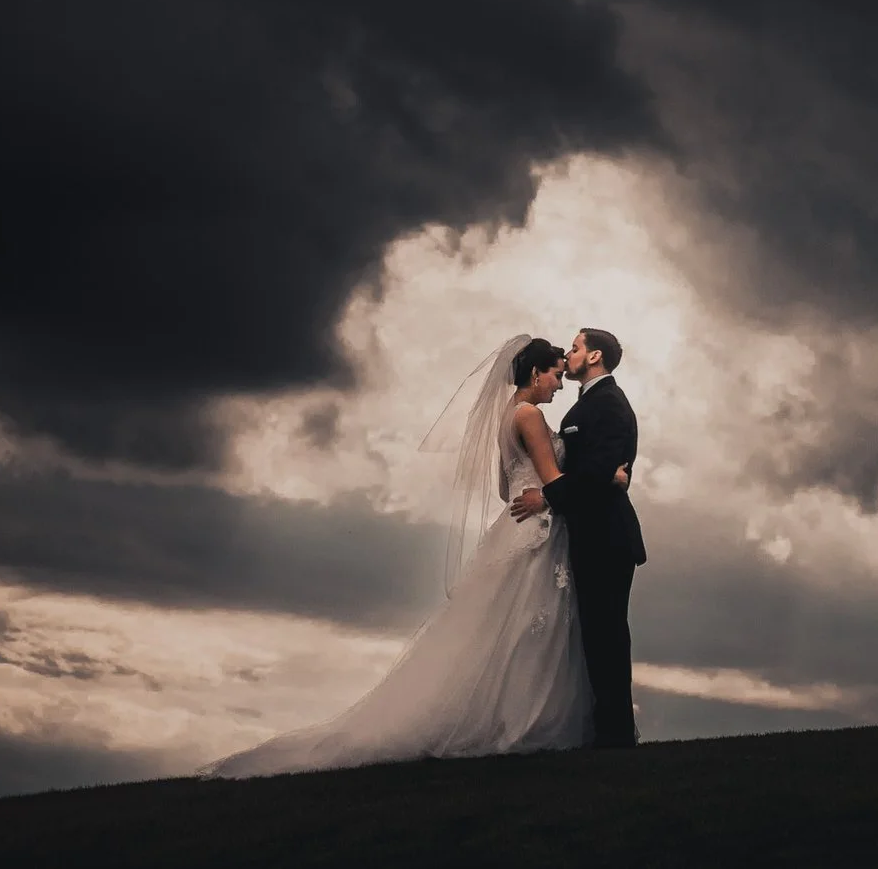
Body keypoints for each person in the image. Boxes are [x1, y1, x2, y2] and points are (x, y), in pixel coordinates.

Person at [205, 335, 628, 776]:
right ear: (536, 372)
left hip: (513, 525)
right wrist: (607, 478)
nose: (558, 385)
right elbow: (553, 480)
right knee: (532, 630)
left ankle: (505, 717)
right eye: (556, 375)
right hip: (538, 530)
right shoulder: (531, 416)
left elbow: (506, 489)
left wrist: (535, 493)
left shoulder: (506, 417)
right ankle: (526, 723)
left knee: (507, 629)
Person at [514, 327, 646, 748]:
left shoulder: (608, 403)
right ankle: (606, 730)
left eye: (574, 348)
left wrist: (548, 494)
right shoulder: (589, 403)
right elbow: (600, 469)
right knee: (596, 633)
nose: (568, 355)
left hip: (606, 537)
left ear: (594, 357)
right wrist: (609, 475)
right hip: (591, 533)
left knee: (606, 633)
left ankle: (615, 734)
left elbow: (597, 468)